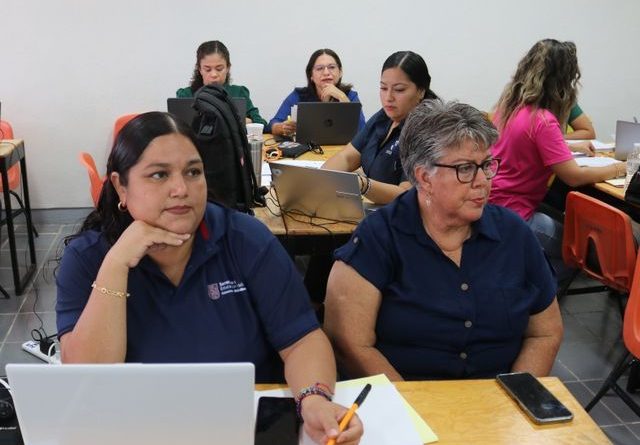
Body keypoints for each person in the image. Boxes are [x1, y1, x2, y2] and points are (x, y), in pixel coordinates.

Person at [55, 112, 362, 445]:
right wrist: (116, 264)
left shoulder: (245, 239)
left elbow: (301, 339)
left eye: (193, 172)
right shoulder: (89, 257)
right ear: (120, 186)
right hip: (142, 428)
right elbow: (88, 381)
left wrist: (313, 399)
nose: (181, 189)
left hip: (243, 425)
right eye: (159, 174)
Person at [324, 100, 563, 381]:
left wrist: (518, 393)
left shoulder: (514, 234)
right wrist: (409, 403)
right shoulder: (379, 237)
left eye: (487, 165)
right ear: (424, 177)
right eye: (465, 169)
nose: (483, 181)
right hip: (407, 394)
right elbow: (351, 344)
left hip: (497, 397)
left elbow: (545, 332)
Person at [489, 39, 625, 280]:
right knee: (577, 251)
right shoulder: (543, 120)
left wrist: (566, 145)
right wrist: (617, 168)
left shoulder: (507, 109)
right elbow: (574, 176)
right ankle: (534, 293)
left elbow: (528, 145)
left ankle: (522, 277)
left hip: (491, 207)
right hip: (516, 216)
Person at [322, 50, 438, 205]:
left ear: (421, 91)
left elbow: (406, 194)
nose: (388, 97)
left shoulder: (427, 130)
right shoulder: (384, 116)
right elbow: (347, 157)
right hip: (373, 207)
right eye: (383, 88)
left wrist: (363, 185)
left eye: (399, 90)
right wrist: (321, 178)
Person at [268, 48, 365, 136]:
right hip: (308, 148)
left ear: (340, 72)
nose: (326, 73)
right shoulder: (299, 95)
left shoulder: (349, 95)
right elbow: (273, 124)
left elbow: (363, 132)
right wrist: (282, 128)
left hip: (342, 148)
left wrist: (342, 98)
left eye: (331, 67)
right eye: (319, 68)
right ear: (311, 76)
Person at [176, 40, 267, 126]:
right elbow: (176, 127)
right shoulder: (186, 95)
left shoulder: (239, 92)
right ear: (200, 69)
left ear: (228, 68)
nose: (214, 74)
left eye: (219, 69)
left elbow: (261, 123)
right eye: (207, 69)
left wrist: (243, 121)